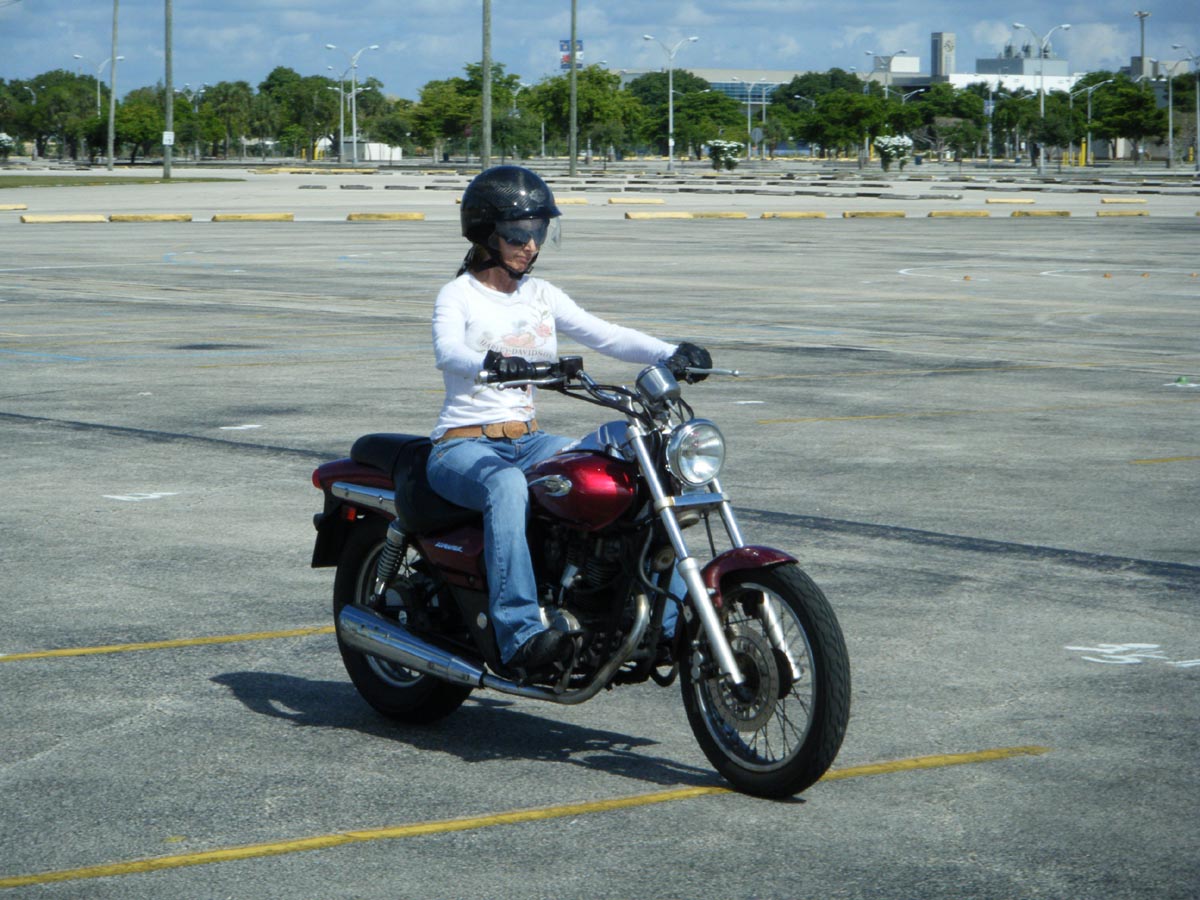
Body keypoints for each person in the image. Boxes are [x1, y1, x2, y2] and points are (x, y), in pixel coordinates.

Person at [425, 165, 710, 675]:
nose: (531, 245)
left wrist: (671, 352)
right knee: (506, 486)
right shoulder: (459, 294)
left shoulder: (541, 295)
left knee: (624, 460)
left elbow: (607, 334)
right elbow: (447, 351)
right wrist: (492, 363)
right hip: (462, 445)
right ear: (486, 234)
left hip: (529, 441)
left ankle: (660, 620)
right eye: (519, 234)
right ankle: (520, 635)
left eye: (538, 232)